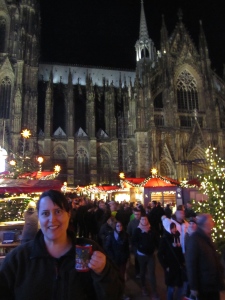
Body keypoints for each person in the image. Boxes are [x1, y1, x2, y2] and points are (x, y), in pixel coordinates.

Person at [0, 190, 124, 300]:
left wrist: (103, 272)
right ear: (38, 217)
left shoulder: (88, 250)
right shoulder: (19, 258)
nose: (52, 219)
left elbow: (115, 294)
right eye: (45, 213)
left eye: (58, 211)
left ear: (68, 214)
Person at [186, 213, 224, 300]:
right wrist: (193, 287)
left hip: (212, 283)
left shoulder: (207, 237)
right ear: (205, 224)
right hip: (204, 285)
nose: (213, 223)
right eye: (210, 221)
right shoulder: (195, 239)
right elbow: (191, 265)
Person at [132, 214, 159, 299]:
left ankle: (154, 291)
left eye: (145, 219)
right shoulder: (138, 230)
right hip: (141, 255)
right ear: (141, 221)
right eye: (142, 220)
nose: (144, 221)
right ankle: (143, 287)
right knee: (142, 272)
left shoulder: (151, 229)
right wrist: (139, 247)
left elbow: (156, 240)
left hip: (151, 255)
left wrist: (155, 248)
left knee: (152, 273)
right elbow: (134, 241)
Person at [158, 222, 185, 300]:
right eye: (172, 228)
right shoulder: (165, 239)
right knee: (171, 287)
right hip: (170, 266)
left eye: (175, 227)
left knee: (180, 285)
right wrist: (165, 266)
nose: (174, 229)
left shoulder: (178, 236)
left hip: (178, 265)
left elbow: (179, 252)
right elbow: (160, 254)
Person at [105, 221, 130, 300]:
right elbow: (108, 247)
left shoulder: (125, 235)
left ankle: (122, 293)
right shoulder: (111, 236)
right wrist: (112, 256)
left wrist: (126, 256)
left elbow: (127, 247)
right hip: (114, 259)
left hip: (122, 259)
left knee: (121, 277)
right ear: (115, 227)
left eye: (120, 226)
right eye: (118, 226)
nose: (119, 227)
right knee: (115, 277)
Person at [127, 208, 142, 278]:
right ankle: (138, 272)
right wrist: (130, 243)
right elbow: (128, 233)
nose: (137, 216)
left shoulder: (143, 221)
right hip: (135, 243)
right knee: (137, 258)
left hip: (142, 242)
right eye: (136, 214)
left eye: (138, 214)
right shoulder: (131, 223)